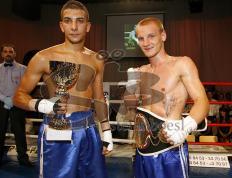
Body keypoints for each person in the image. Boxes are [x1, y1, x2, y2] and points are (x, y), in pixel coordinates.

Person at [13, 1, 113, 178]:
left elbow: (98, 97)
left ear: (88, 26)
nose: (74, 27)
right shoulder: (43, 57)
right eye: (68, 20)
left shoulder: (96, 59)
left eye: (80, 21)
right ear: (61, 25)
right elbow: (18, 96)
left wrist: (106, 131)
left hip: (88, 129)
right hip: (57, 128)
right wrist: (42, 105)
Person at [124, 17, 209, 178]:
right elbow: (130, 111)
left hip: (169, 151)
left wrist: (185, 126)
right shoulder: (141, 70)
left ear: (163, 36)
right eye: (141, 38)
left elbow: (202, 101)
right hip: (142, 151)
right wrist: (131, 87)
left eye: (151, 36)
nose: (146, 42)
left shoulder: (181, 64)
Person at [0, 43, 32, 169]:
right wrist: (4, 98)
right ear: (2, 54)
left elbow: (26, 86)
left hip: (17, 102)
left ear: (15, 54)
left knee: (20, 131)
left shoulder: (23, 69)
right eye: (5, 51)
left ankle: (23, 158)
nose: (8, 53)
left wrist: (14, 99)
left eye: (11, 51)